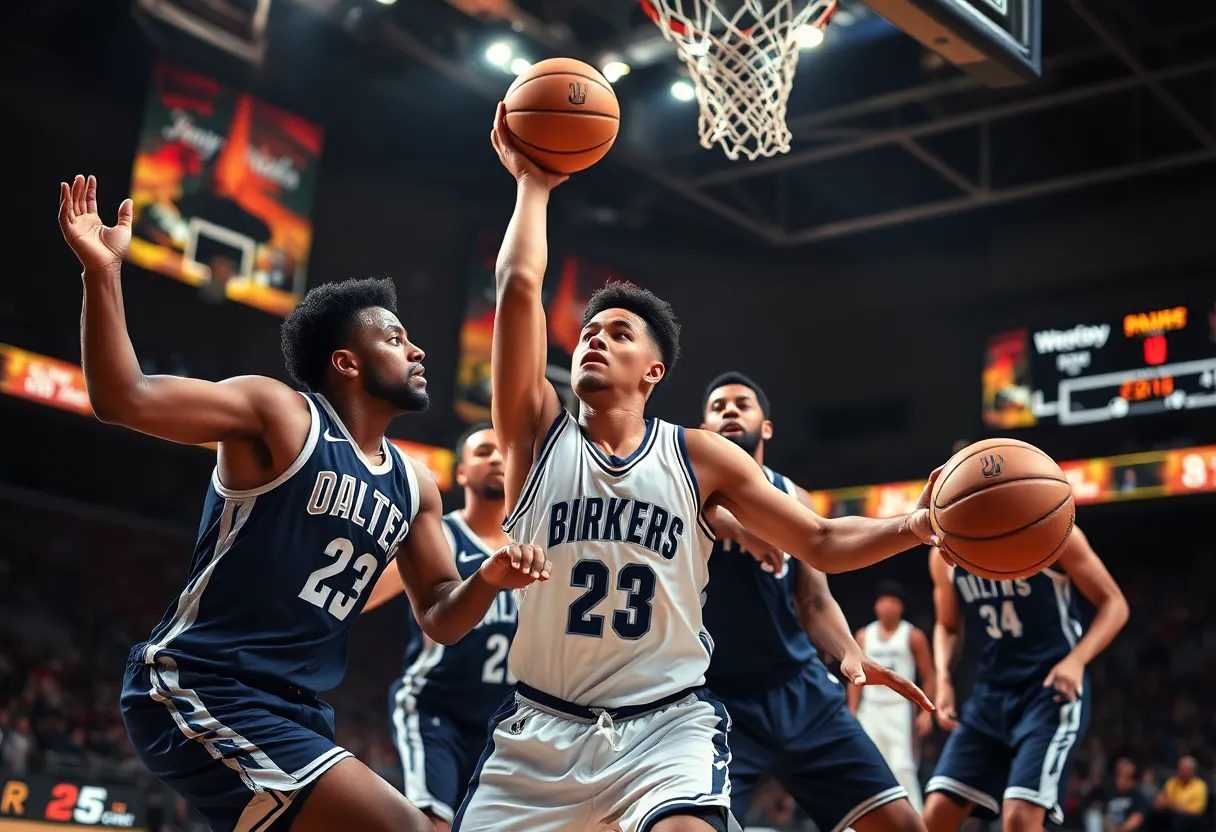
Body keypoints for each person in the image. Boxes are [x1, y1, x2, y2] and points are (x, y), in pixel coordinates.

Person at [456, 106, 942, 832]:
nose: (594, 339)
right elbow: (522, 290)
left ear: (652, 370)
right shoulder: (534, 436)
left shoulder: (697, 454)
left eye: (618, 333)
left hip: (665, 726)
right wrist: (534, 183)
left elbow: (822, 543)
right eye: (588, 331)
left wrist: (920, 523)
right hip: (540, 728)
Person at [58, 174, 551, 832]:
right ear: (347, 363)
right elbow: (124, 397)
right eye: (396, 339)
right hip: (205, 682)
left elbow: (440, 616)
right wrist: (102, 273)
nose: (418, 349)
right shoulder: (279, 415)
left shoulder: (414, 484)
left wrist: (487, 579)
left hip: (298, 708)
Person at [698, 373, 931, 832]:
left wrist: (849, 651)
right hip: (715, 701)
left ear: (766, 427)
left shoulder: (792, 495)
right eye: (717, 405)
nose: (729, 410)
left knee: (904, 825)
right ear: (702, 430)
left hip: (800, 688)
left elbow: (814, 601)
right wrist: (743, 530)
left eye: (742, 403)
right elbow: (713, 511)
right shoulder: (686, 488)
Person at [923, 525, 1129, 832]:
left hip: (1050, 691)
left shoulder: (1053, 531)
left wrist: (1076, 660)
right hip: (990, 695)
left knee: (1020, 817)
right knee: (935, 815)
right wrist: (943, 677)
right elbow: (948, 626)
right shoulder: (944, 555)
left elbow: (1115, 604)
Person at [363, 423, 517, 830]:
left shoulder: (538, 545)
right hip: (436, 710)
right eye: (483, 452)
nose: (497, 458)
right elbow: (359, 597)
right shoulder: (440, 537)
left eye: (504, 450)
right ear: (462, 472)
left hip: (509, 722)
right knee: (431, 823)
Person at [850, 580, 936, 812]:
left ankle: (914, 819)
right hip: (871, 708)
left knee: (902, 767)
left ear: (900, 606)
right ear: (876, 605)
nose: (886, 605)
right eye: (882, 600)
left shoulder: (912, 636)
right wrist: (852, 712)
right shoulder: (863, 635)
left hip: (900, 709)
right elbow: (855, 678)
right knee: (866, 765)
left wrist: (926, 713)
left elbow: (929, 675)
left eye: (892, 600)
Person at [1155, 756, 1208, 832]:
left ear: (1192, 771)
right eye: (1180, 769)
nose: (1181, 772)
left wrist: (1173, 806)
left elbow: (1197, 810)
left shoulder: (1200, 786)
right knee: (1154, 813)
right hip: (1170, 814)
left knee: (1179, 818)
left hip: (1190, 819)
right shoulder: (1172, 782)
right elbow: (1163, 799)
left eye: (1184, 769)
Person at [1101, 759, 1149, 832]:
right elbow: (1105, 816)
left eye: (1124, 777)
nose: (1120, 781)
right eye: (1118, 776)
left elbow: (1136, 820)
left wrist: (1119, 829)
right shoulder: (1110, 794)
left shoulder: (1138, 797)